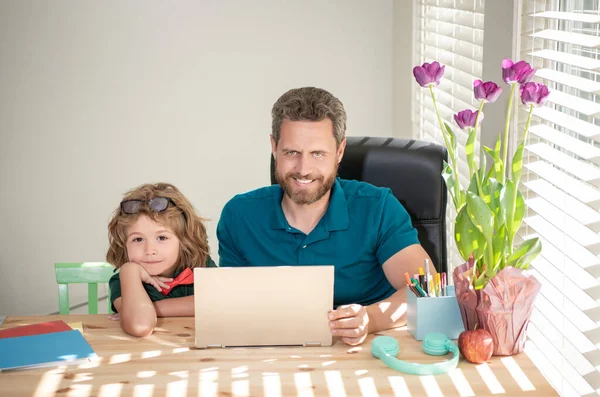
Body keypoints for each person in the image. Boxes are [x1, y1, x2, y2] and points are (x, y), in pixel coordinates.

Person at [217, 87, 436, 346]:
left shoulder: (378, 208)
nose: (303, 169)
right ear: (274, 147)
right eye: (291, 153)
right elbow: (230, 303)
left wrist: (369, 319)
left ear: (340, 151)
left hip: (366, 352)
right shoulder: (238, 215)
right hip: (273, 353)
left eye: (317, 154)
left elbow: (426, 289)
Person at [107, 182, 216, 337]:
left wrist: (153, 308)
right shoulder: (124, 279)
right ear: (124, 245)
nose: (149, 250)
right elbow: (140, 326)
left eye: (161, 237)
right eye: (138, 239)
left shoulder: (200, 265)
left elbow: (221, 303)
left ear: (184, 241)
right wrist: (129, 270)